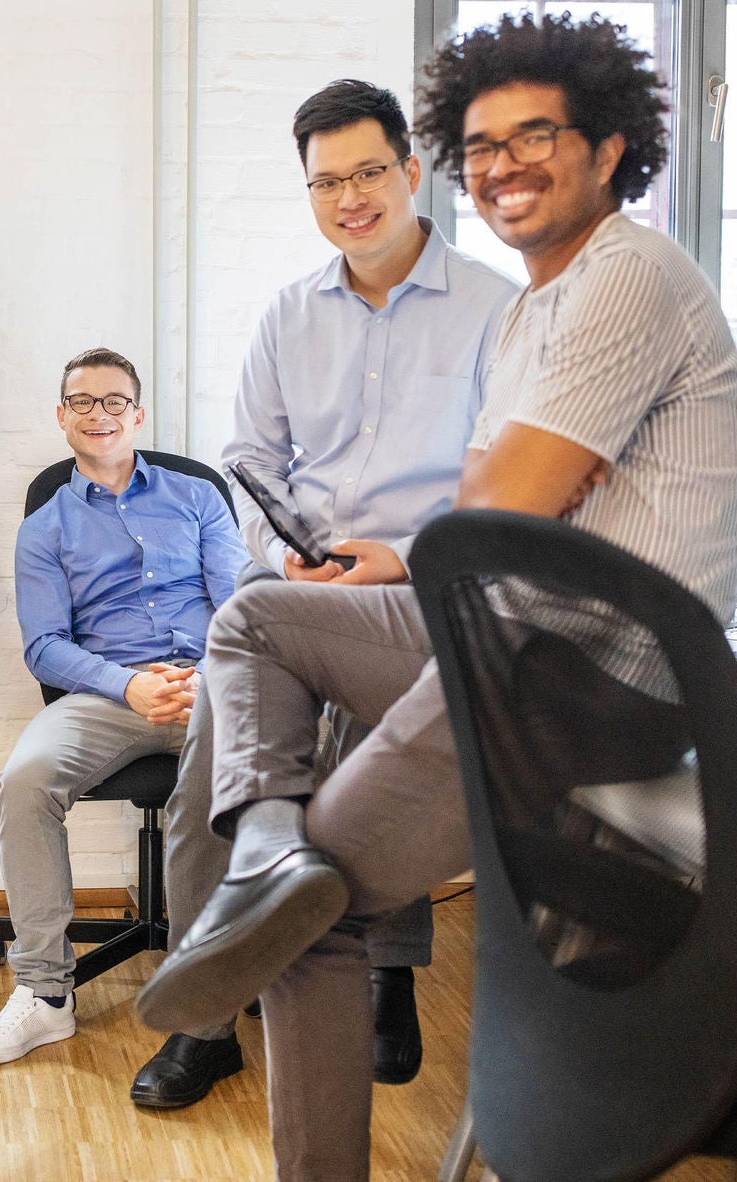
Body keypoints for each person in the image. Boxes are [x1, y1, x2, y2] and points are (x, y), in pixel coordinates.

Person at [136, 13, 737, 1179]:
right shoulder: (535, 306)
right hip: (499, 621)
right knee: (253, 618)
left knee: (311, 918)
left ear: (610, 147)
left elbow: (496, 504)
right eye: (484, 144)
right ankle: (265, 842)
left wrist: (473, 515)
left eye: (535, 138)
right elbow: (484, 504)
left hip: (583, 670)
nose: (503, 166)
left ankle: (276, 882)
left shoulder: (625, 275)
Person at [134, 79, 516, 1109]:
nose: (348, 199)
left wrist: (398, 556)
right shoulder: (286, 315)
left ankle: (385, 974)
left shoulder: (494, 309)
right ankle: (204, 1018)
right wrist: (279, 544)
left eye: (364, 174)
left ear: (407, 170)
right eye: (324, 183)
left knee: (359, 772)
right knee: (207, 785)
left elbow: (507, 487)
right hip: (293, 583)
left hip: (419, 589)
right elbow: (246, 456)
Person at [0, 348, 247, 1068]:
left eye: (113, 400)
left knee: (216, 788)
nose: (98, 414)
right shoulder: (45, 526)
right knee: (25, 781)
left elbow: (243, 605)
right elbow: (47, 648)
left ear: (138, 413)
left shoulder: (197, 497)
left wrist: (204, 677)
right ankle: (45, 995)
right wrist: (130, 687)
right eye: (81, 401)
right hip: (107, 691)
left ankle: (204, 995)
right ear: (62, 417)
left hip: (207, 682)